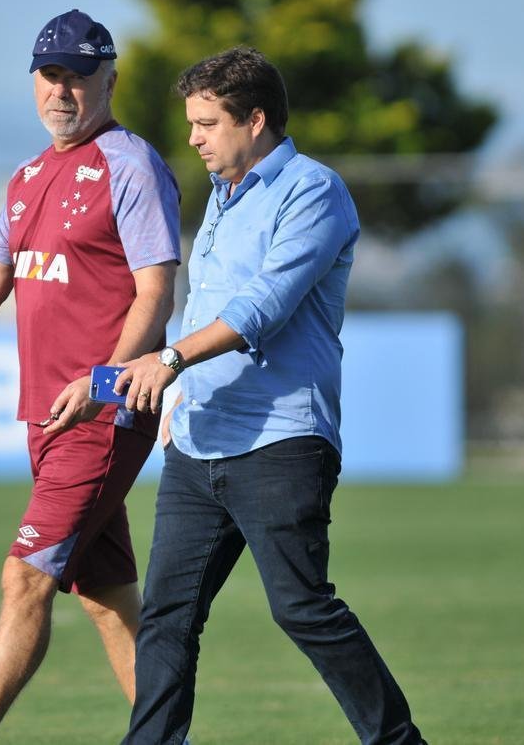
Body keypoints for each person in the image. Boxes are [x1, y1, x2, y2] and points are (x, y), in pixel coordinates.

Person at [113, 47, 426, 744]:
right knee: (166, 615)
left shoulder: (315, 191)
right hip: (199, 442)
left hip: (281, 441)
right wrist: (183, 396)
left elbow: (264, 306)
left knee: (301, 606)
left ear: (255, 120)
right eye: (192, 122)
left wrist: (168, 359)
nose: (194, 137)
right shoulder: (223, 196)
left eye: (207, 123)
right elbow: (206, 307)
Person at [0, 9, 181, 745]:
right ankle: (167, 738)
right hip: (45, 418)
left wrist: (106, 377)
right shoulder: (27, 178)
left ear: (108, 82)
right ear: (34, 80)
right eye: (51, 75)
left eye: (79, 78)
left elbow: (156, 292)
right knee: (110, 597)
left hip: (102, 414)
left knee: (25, 576)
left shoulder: (131, 165)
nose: (63, 91)